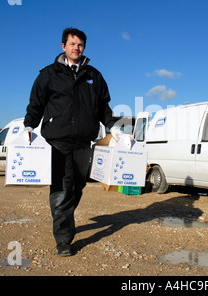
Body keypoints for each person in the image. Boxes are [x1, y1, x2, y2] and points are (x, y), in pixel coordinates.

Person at [23, 28, 123, 256]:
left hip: (83, 142)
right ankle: (63, 239)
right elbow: (35, 103)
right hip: (57, 141)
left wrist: (114, 127)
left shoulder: (94, 76)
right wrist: (29, 125)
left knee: (78, 186)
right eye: (72, 44)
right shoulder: (48, 74)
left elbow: (103, 107)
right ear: (63, 46)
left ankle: (64, 218)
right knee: (62, 188)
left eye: (80, 45)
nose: (76, 48)